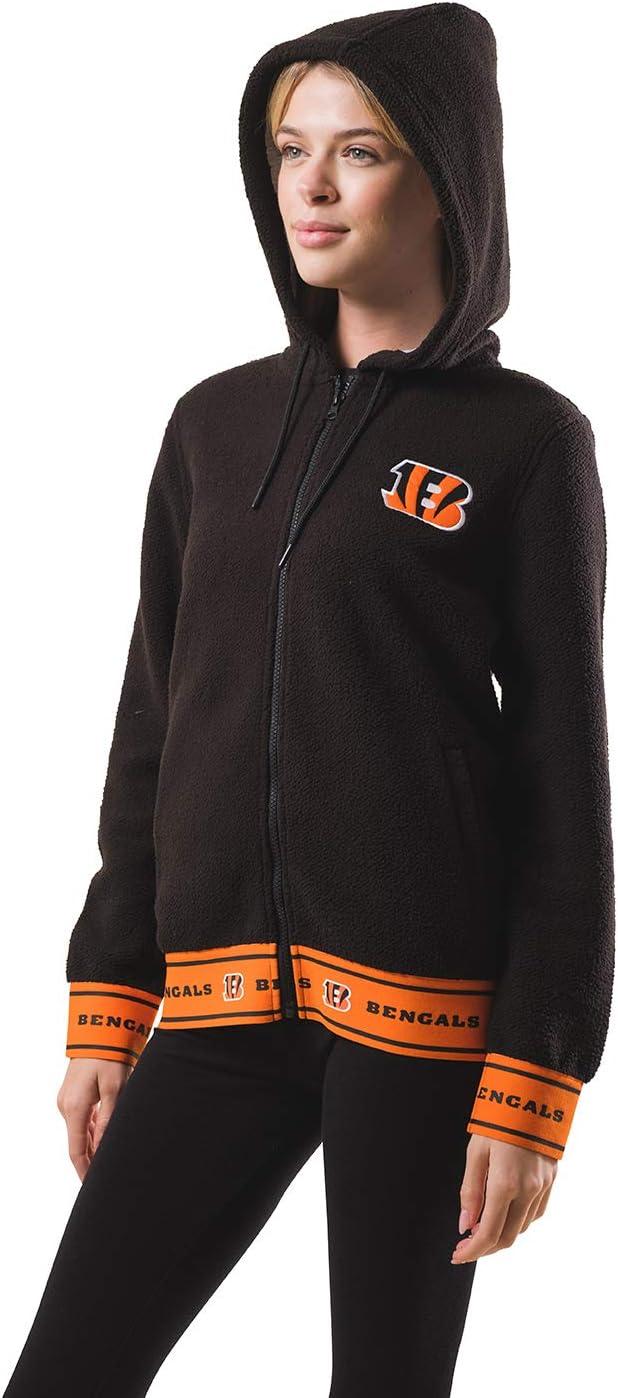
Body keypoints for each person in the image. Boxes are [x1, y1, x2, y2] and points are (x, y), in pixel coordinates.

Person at [3, 4, 614, 1396]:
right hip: (219, 1001)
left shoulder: (525, 442)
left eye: (360, 151)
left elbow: (565, 776)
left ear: (445, 175)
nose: (313, 187)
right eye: (290, 150)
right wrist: (110, 988)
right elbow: (154, 717)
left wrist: (536, 1073)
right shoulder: (212, 424)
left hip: (425, 1018)